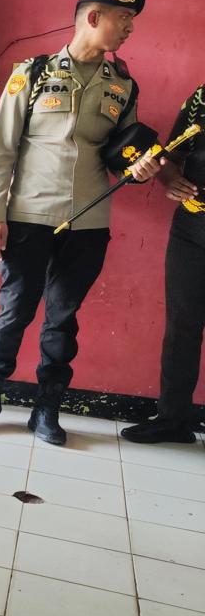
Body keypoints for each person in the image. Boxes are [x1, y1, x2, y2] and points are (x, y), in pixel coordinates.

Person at [0, 0, 150, 445]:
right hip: (27, 215)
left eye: (132, 21)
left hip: (89, 219)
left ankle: (47, 407)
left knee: (63, 318)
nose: (128, 29)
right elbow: (1, 147)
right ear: (92, 17)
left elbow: (123, 153)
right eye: (122, 19)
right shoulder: (34, 72)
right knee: (13, 312)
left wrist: (140, 168)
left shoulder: (122, 85)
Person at [121, 82, 205, 444]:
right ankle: (173, 418)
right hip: (193, 225)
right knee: (182, 324)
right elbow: (169, 156)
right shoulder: (202, 97)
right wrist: (171, 181)